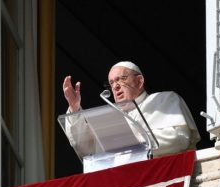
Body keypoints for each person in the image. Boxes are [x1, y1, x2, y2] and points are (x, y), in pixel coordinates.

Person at [62, 61, 200, 158]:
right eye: (111, 83)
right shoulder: (111, 118)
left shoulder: (164, 99)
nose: (115, 86)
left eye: (121, 79)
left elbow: (180, 138)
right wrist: (74, 107)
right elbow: (87, 149)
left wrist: (133, 139)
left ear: (139, 81)